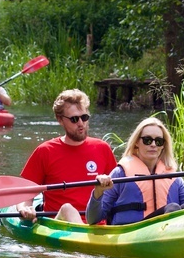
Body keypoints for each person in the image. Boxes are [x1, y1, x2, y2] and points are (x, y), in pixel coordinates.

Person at [86, 116, 184, 225]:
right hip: (131, 232)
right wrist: (98, 193)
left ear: (163, 146)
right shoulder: (120, 174)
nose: (153, 145)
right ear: (137, 142)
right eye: (147, 140)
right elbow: (93, 219)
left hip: (166, 233)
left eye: (158, 141)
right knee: (172, 208)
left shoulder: (173, 177)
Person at [16, 89, 117, 223]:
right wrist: (25, 208)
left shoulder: (102, 148)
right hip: (58, 225)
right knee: (68, 209)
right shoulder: (45, 151)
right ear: (60, 120)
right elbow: (24, 194)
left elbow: (117, 192)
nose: (81, 123)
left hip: (96, 225)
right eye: (74, 119)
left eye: (84, 117)